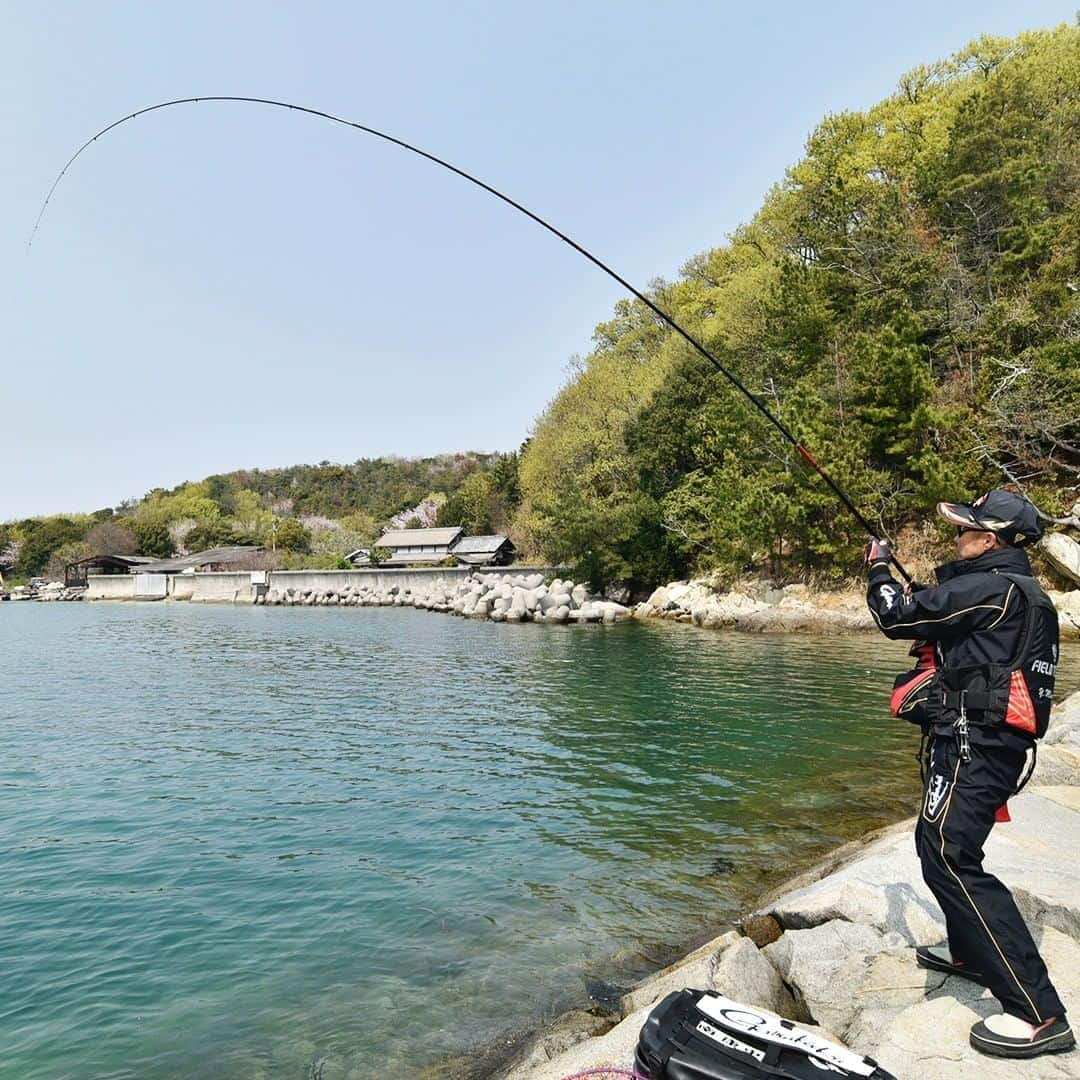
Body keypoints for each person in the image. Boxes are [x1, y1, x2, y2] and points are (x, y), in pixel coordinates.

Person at [864, 488, 1074, 1060]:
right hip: (985, 744)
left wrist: (878, 566)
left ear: (990, 540)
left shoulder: (992, 586)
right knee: (936, 847)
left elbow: (896, 616)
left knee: (953, 856)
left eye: (965, 530)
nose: (957, 538)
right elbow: (974, 647)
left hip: (974, 745)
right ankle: (971, 953)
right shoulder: (1024, 595)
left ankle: (1039, 1013)